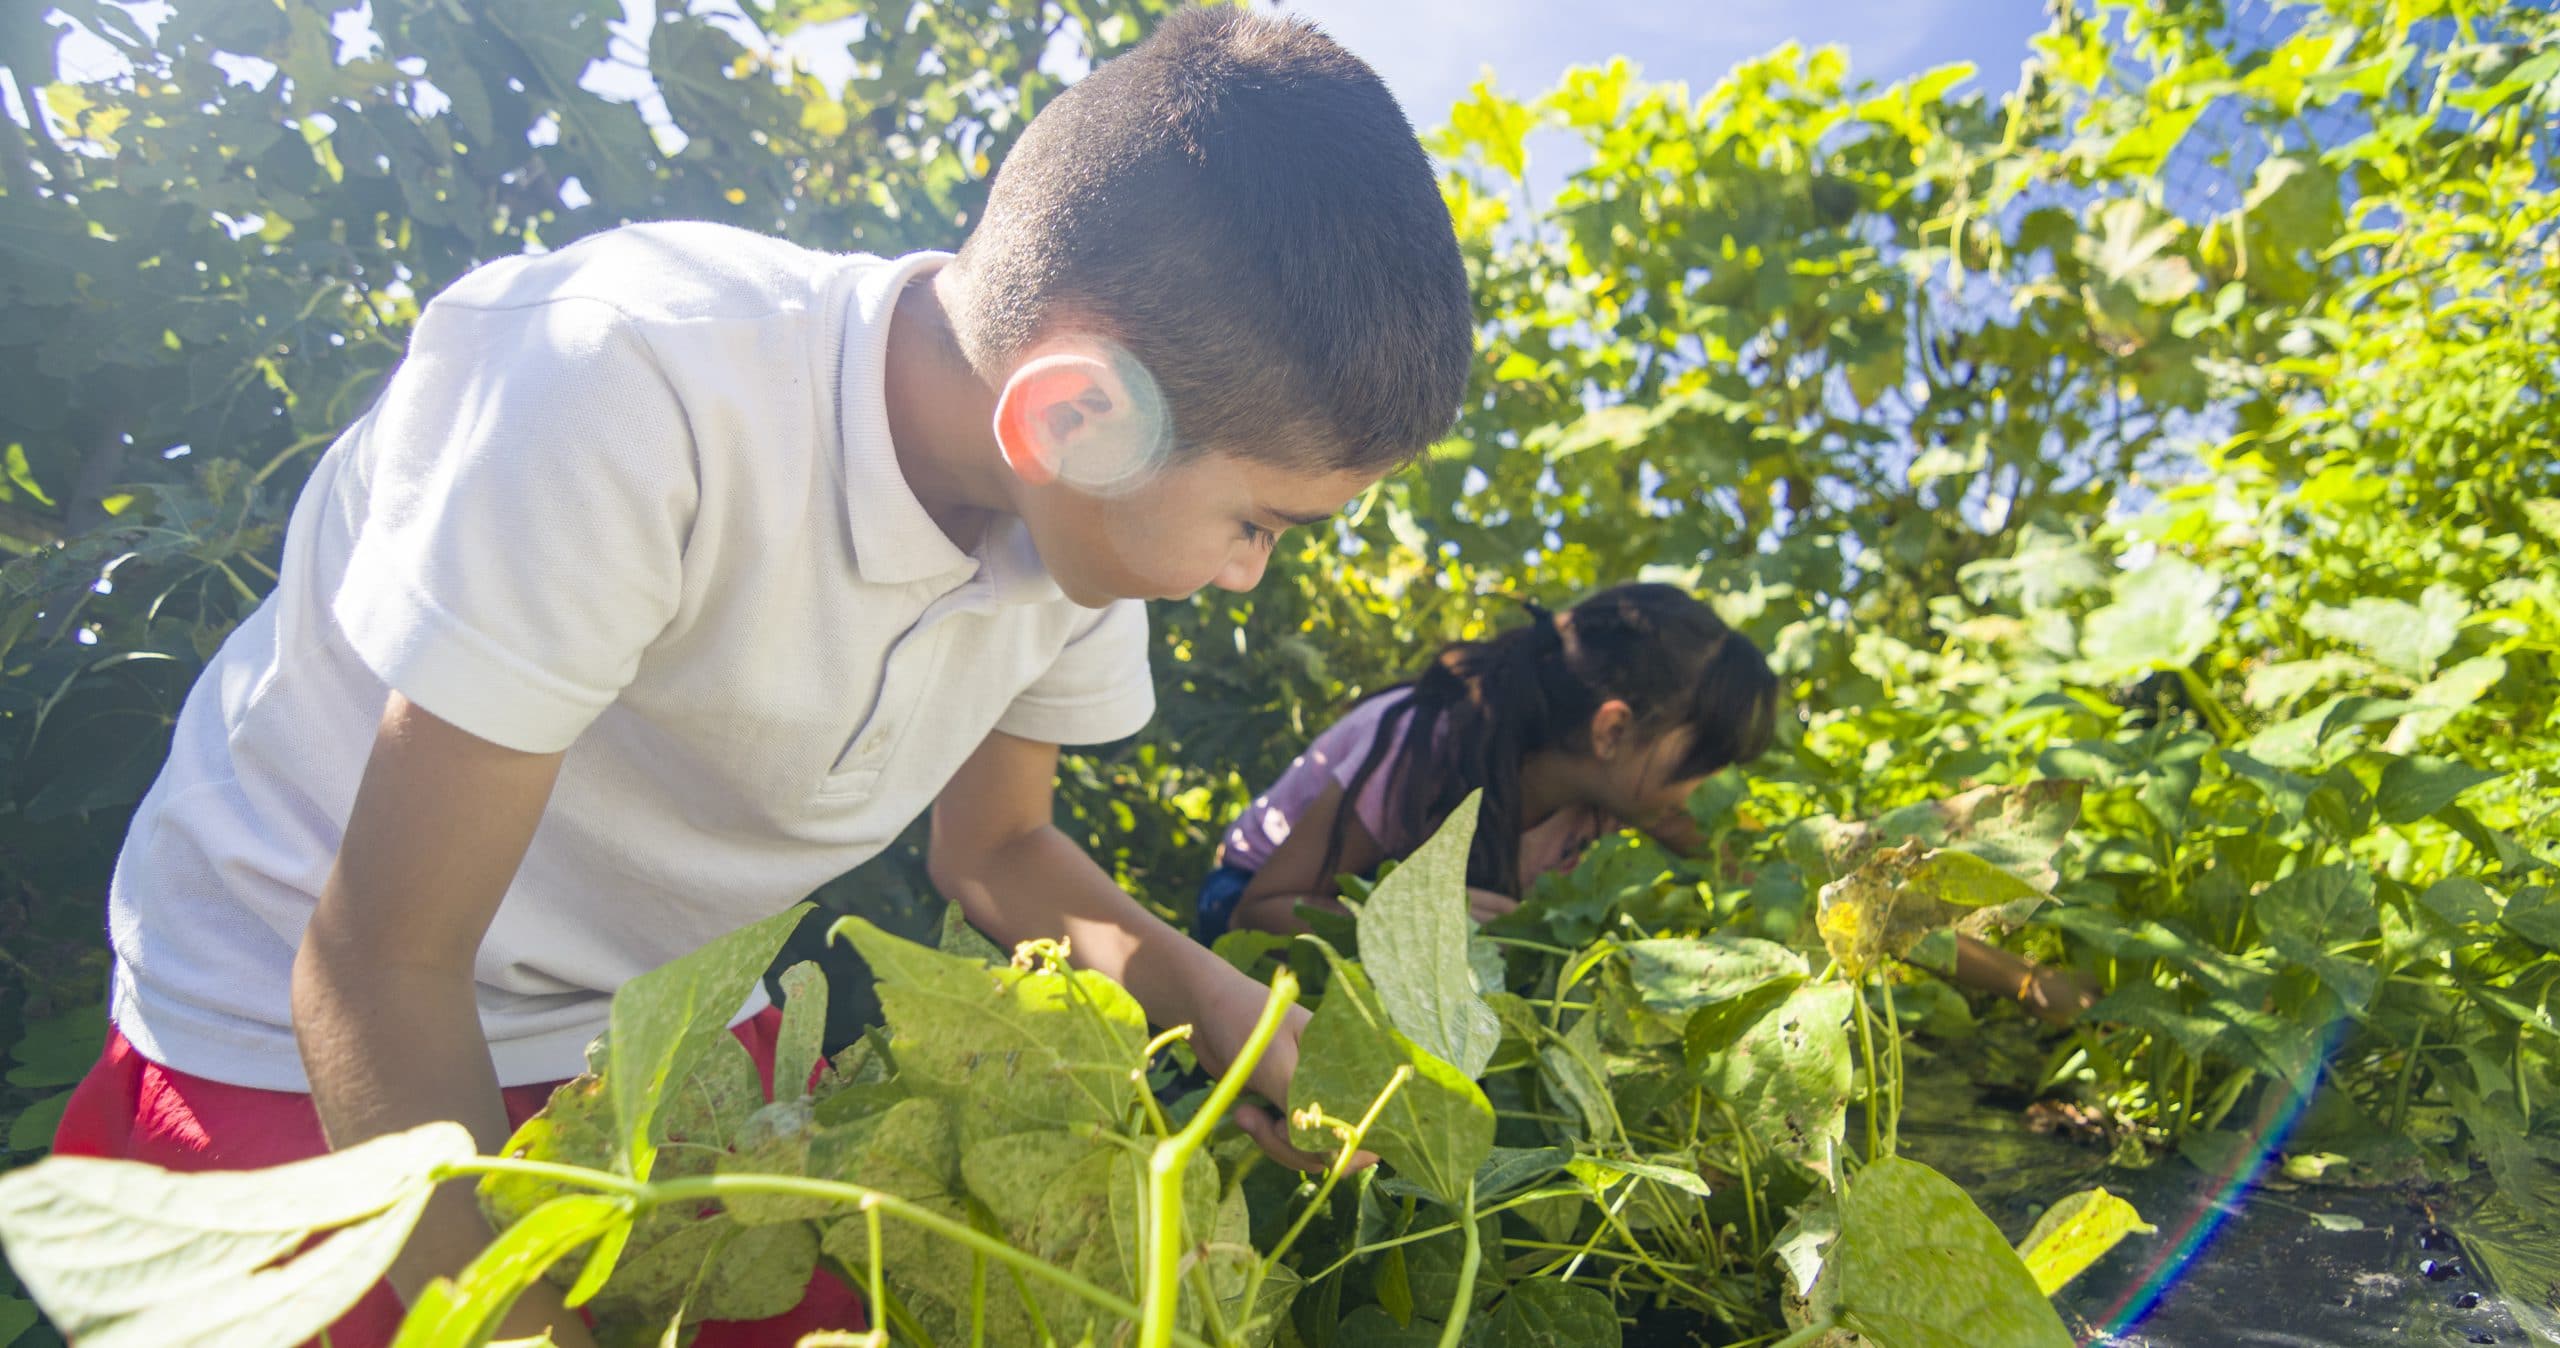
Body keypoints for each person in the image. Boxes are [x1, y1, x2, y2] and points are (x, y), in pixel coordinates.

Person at [50, 10, 1475, 1346]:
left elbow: (999, 852)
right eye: (1261, 525)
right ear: (1075, 416)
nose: (1248, 575)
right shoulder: (625, 389)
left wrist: (1234, 1017)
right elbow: (372, 968)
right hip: (305, 1035)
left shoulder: (1077, 534)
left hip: (652, 1041)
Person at [1198, 584, 2097, 1027]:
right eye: (1697, 764)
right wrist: (1407, 918)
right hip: (1246, 926)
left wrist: (2021, 981)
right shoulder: (1424, 740)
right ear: (1615, 728)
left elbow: (1838, 903)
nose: (1702, 796)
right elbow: (1256, 913)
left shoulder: (1623, 803)